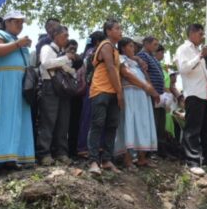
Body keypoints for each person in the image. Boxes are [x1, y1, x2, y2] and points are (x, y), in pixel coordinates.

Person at [0, 11, 35, 175]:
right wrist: (18, 43)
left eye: (21, 22)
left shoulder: (17, 41)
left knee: (17, 120)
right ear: (7, 22)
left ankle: (12, 157)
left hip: (19, 85)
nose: (20, 25)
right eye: (17, 22)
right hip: (3, 83)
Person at [175, 23, 207, 176]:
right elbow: (183, 69)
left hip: (205, 95)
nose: (202, 37)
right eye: (200, 34)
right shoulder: (183, 49)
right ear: (192, 33)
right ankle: (192, 161)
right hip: (193, 93)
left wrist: (204, 57)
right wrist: (199, 56)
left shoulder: (200, 51)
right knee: (192, 129)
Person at [86, 19, 124, 175]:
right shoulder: (106, 45)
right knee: (98, 124)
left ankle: (107, 160)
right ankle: (93, 161)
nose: (121, 31)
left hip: (113, 92)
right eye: (117, 28)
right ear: (108, 31)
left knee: (111, 125)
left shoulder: (115, 49)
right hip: (101, 90)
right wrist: (120, 92)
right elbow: (109, 68)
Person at [114, 37, 159, 169]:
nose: (134, 49)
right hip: (130, 94)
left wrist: (151, 90)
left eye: (134, 46)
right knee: (131, 124)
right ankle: (128, 160)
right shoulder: (121, 58)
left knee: (144, 123)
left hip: (142, 96)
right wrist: (146, 86)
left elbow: (145, 77)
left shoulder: (136, 62)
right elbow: (126, 74)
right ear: (123, 48)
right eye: (131, 46)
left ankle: (142, 158)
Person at [37, 25, 77, 165]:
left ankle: (61, 152)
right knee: (48, 121)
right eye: (64, 35)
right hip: (50, 87)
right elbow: (46, 64)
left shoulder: (63, 52)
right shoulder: (47, 48)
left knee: (63, 122)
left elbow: (71, 71)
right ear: (56, 35)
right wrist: (65, 59)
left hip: (63, 89)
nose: (67, 38)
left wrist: (64, 62)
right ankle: (44, 154)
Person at [137, 36, 166, 155]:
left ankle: (157, 149)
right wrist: (152, 90)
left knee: (159, 123)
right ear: (146, 44)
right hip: (150, 94)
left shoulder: (152, 57)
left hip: (159, 95)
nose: (157, 47)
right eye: (154, 44)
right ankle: (148, 152)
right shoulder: (143, 55)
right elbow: (144, 74)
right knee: (152, 122)